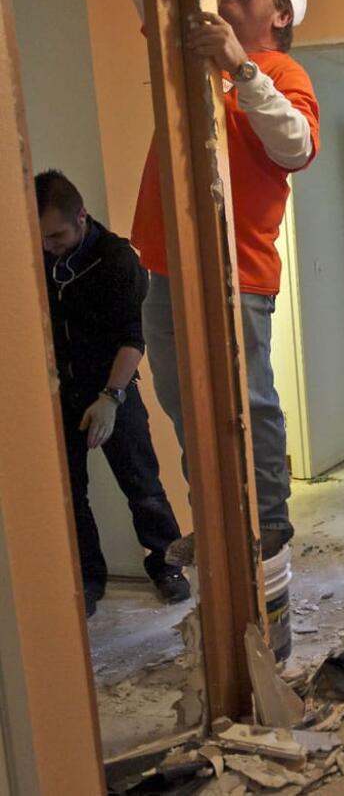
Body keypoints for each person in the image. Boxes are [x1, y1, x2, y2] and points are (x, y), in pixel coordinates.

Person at [130, 0, 321, 562]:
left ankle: (267, 525)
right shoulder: (190, 62)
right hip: (165, 263)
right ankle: (215, 518)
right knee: (184, 398)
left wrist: (242, 67)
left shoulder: (280, 71)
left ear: (282, 14)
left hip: (238, 270)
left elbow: (296, 147)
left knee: (249, 402)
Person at [36, 170, 189, 618]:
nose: (50, 246)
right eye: (42, 237)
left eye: (57, 235)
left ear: (81, 217)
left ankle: (166, 565)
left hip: (113, 389)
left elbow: (133, 337)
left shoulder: (117, 259)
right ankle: (88, 578)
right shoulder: (39, 257)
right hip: (59, 391)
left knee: (142, 484)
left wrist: (110, 396)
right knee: (71, 492)